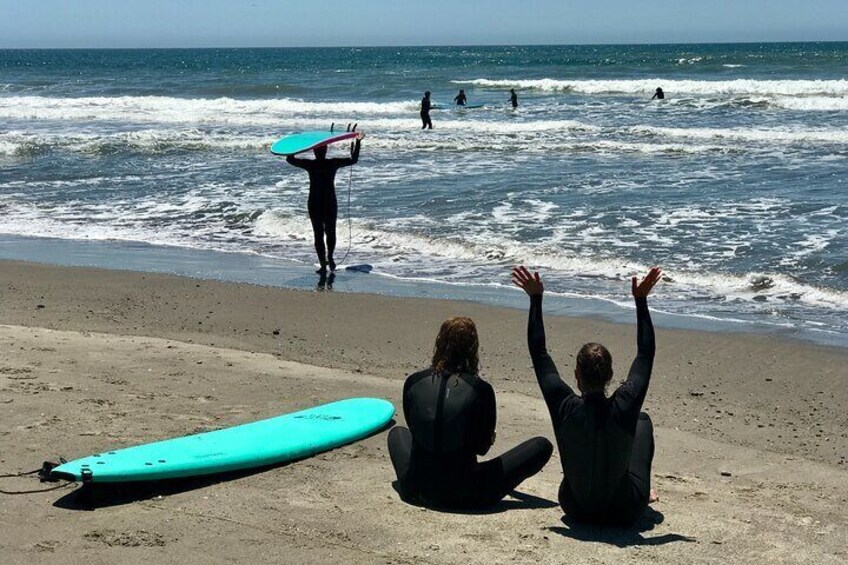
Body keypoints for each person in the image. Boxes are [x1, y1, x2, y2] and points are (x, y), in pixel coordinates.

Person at [512, 265, 662, 526]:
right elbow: (645, 355)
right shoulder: (625, 404)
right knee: (643, 421)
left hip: (574, 506)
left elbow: (539, 353)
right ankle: (640, 491)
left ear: (576, 374)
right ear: (611, 374)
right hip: (623, 511)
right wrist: (641, 301)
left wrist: (536, 300)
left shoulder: (564, 404)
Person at [387, 317, 553, 509]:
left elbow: (416, 430)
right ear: (473, 348)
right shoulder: (480, 390)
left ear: (439, 343)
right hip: (466, 494)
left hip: (414, 488)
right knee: (542, 446)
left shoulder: (414, 381)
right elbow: (482, 449)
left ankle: (422, 478)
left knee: (397, 433)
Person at [285, 134, 363, 273]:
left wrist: (299, 147)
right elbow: (354, 159)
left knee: (318, 234)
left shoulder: (310, 164)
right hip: (329, 201)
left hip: (314, 201)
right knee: (330, 232)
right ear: (326, 150)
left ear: (314, 151)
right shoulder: (332, 163)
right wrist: (357, 142)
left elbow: (290, 159)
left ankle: (322, 264)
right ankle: (330, 258)